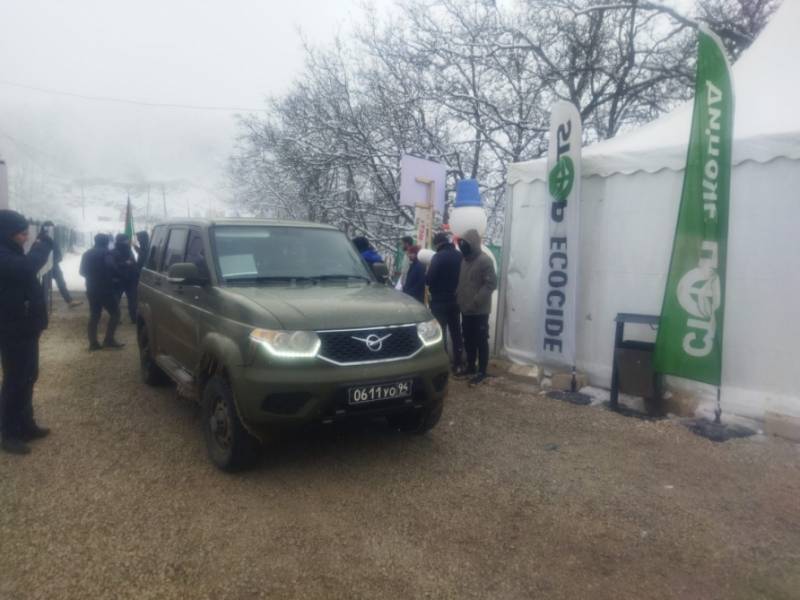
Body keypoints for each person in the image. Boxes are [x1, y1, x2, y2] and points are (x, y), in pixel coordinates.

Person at [0, 210, 54, 455]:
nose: (25, 238)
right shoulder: (3, 253)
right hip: (11, 328)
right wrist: (42, 248)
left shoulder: (12, 250)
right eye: (22, 233)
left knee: (29, 376)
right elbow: (25, 269)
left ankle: (26, 423)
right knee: (15, 380)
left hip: (25, 326)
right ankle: (9, 432)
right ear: (8, 232)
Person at [456, 229, 497, 385]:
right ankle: (471, 367)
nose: (462, 247)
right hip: (466, 309)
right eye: (461, 244)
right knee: (468, 339)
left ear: (472, 244)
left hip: (479, 310)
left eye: (465, 244)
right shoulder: (464, 260)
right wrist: (457, 295)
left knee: (481, 340)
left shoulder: (484, 260)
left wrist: (476, 301)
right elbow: (463, 283)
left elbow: (491, 283)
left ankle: (482, 371)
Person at [426, 232, 464, 372]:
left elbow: (429, 279)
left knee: (440, 332)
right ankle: (458, 363)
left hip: (439, 301)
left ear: (437, 244)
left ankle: (443, 362)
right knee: (456, 332)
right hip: (456, 300)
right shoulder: (460, 256)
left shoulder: (438, 257)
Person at [80, 233, 123, 351]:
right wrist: (117, 275)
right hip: (106, 288)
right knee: (116, 313)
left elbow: (82, 272)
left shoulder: (86, 253)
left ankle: (93, 343)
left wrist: (92, 276)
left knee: (94, 315)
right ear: (106, 242)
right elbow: (111, 266)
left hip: (91, 288)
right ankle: (109, 339)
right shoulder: (106, 253)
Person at [38, 221, 82, 309]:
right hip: (47, 264)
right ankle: (41, 304)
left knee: (59, 282)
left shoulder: (48, 237)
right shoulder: (42, 238)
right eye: (51, 227)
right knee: (46, 285)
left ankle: (69, 301)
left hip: (53, 264)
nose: (52, 229)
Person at [111, 233, 138, 324]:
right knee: (116, 300)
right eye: (126, 240)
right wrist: (126, 264)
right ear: (121, 241)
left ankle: (134, 318)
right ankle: (116, 319)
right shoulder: (114, 252)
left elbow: (133, 263)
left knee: (132, 300)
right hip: (119, 279)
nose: (128, 242)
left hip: (129, 279)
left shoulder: (128, 250)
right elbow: (112, 266)